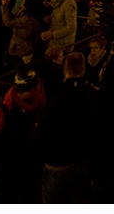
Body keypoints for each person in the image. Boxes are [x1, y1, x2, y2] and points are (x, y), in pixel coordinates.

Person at [35, 52, 101, 203]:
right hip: (83, 161)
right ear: (83, 70)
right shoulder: (93, 97)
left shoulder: (55, 101)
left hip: (59, 165)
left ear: (65, 70)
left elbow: (42, 133)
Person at [0, 67, 46, 203]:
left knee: (27, 195)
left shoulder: (37, 103)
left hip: (26, 161)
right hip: (8, 164)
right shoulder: (6, 109)